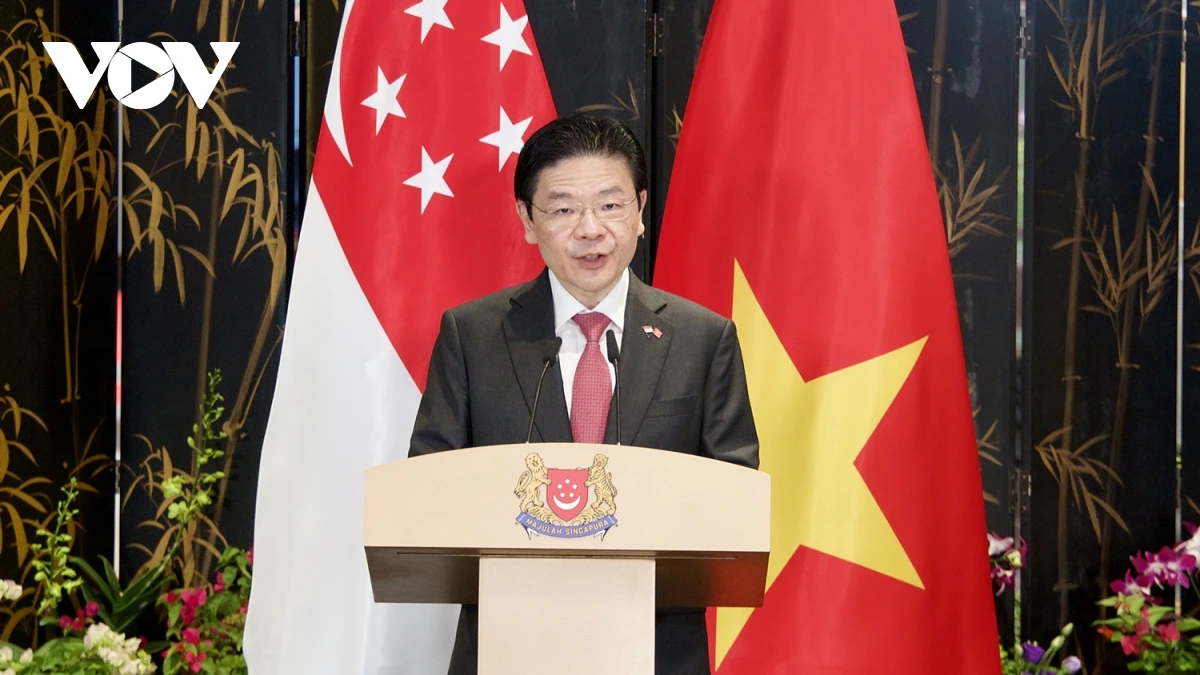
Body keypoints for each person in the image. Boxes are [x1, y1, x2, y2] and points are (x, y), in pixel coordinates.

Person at [408, 113, 759, 675]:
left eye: (610, 205)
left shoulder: (702, 339)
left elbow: (733, 502)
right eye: (564, 209)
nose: (590, 229)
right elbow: (429, 491)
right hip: (509, 648)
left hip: (658, 650)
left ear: (640, 211)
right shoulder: (472, 337)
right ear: (527, 220)